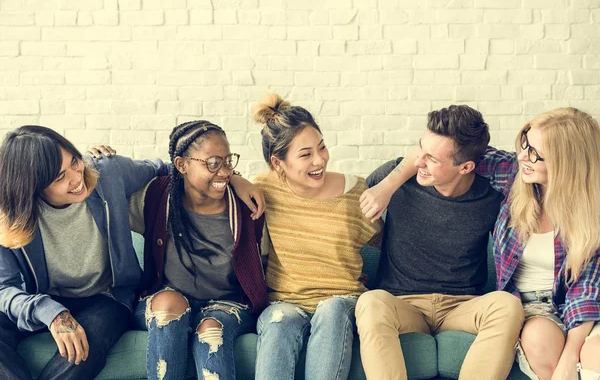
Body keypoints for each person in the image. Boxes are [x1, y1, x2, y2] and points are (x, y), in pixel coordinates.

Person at [356, 105, 524, 380]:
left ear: (466, 166)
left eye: (432, 158)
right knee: (371, 302)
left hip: (462, 306)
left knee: (507, 305)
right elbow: (340, 201)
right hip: (403, 304)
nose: (419, 161)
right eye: (419, 149)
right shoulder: (394, 180)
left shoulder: (492, 197)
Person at [91, 120, 267, 380]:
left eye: (229, 161)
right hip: (166, 297)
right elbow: (104, 196)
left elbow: (263, 264)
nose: (224, 172)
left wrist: (239, 180)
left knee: (211, 330)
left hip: (228, 304)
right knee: (168, 307)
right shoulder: (157, 198)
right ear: (182, 165)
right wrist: (101, 164)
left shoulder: (247, 207)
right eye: (212, 163)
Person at [232, 93, 382, 380]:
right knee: (279, 323)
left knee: (332, 309)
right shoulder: (264, 189)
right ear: (278, 163)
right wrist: (238, 180)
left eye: (322, 147)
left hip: (343, 298)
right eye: (305, 154)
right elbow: (213, 176)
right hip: (285, 301)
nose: (319, 160)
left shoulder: (357, 192)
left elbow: (392, 243)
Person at [0, 125, 168, 380]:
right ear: (31, 185)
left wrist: (234, 178)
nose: (77, 178)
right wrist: (48, 311)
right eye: (59, 177)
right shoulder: (9, 216)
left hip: (106, 298)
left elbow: (168, 168)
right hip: (42, 298)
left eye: (74, 161)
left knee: (80, 350)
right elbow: (4, 289)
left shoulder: (107, 173)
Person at [471, 108, 600, 380]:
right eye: (525, 144)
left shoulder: (591, 210)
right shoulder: (515, 175)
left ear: (567, 163)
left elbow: (586, 290)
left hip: (587, 305)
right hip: (531, 306)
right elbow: (456, 150)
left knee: (595, 355)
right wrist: (390, 183)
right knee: (540, 343)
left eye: (535, 153)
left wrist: (570, 357)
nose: (522, 156)